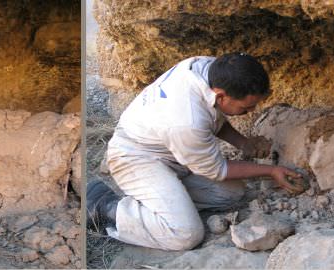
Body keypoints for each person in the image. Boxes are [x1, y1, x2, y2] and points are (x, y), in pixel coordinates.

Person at [88, 53, 304, 251]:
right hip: (135, 157)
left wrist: (243, 144)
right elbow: (218, 170)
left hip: (170, 152)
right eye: (245, 108)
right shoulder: (187, 121)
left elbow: (212, 116)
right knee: (186, 234)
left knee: (232, 193)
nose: (251, 111)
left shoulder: (209, 70)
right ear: (221, 96)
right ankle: (107, 206)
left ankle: (163, 203)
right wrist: (271, 171)